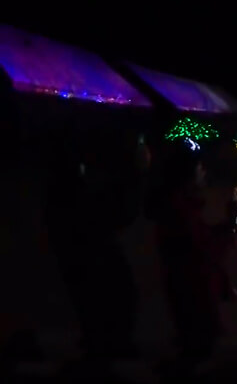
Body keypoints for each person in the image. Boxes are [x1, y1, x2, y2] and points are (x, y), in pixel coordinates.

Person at [42, 129, 142, 375]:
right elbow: (116, 213)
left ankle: (100, 349)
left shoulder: (70, 191)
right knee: (107, 297)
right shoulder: (80, 196)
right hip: (90, 253)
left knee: (103, 298)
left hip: (84, 251)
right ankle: (102, 351)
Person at [150, 143, 237, 377]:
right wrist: (228, 231)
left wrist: (226, 226)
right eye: (199, 169)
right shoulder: (180, 208)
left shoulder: (180, 205)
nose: (204, 173)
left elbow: (200, 237)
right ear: (187, 175)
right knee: (198, 341)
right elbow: (201, 248)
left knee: (195, 339)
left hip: (189, 282)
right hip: (193, 284)